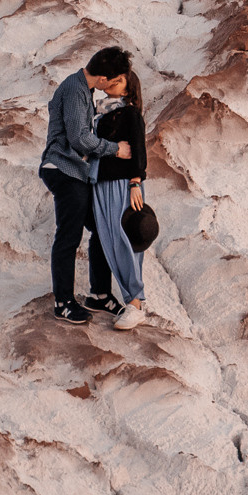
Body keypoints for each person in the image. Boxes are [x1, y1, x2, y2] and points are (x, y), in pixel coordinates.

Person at [38, 47, 131, 323]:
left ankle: (99, 295)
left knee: (101, 227)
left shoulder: (83, 89)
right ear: (102, 78)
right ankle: (63, 302)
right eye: (111, 82)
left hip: (77, 172)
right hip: (63, 169)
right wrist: (115, 149)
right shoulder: (75, 90)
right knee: (69, 236)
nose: (110, 88)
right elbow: (79, 139)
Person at [87, 51, 150, 331]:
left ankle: (135, 303)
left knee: (125, 240)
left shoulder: (129, 113)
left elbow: (139, 149)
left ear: (128, 85)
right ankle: (121, 299)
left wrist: (135, 182)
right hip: (100, 183)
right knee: (108, 240)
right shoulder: (103, 111)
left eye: (122, 79)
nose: (115, 82)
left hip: (122, 185)